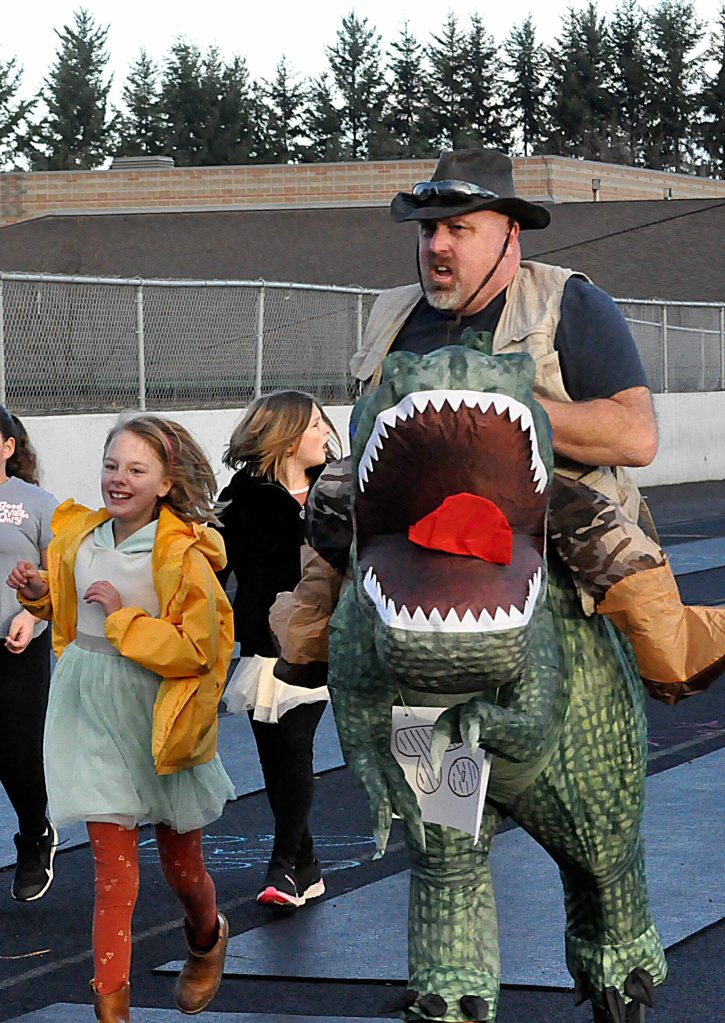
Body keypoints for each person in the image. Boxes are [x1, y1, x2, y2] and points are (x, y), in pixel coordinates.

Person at [7, 414, 235, 1023]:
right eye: (111, 465)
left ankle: (206, 937)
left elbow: (195, 649)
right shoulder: (78, 537)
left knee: (182, 869)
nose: (118, 479)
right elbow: (65, 603)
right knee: (114, 872)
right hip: (91, 707)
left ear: (165, 482)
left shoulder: (183, 557)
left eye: (136, 469)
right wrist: (37, 594)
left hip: (159, 716)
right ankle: (112, 1011)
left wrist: (121, 619)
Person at [216, 391, 339, 910]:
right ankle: (305, 865)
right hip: (267, 647)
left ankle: (284, 864)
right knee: (279, 760)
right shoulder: (242, 497)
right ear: (287, 437)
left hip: (330, 641)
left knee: (293, 747)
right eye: (315, 426)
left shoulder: (340, 488)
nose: (326, 435)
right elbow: (213, 568)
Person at [0, 406, 58, 901]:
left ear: (7, 447)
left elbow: (58, 578)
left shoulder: (37, 504)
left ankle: (35, 834)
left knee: (16, 752)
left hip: (18, 648)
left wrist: (33, 615)